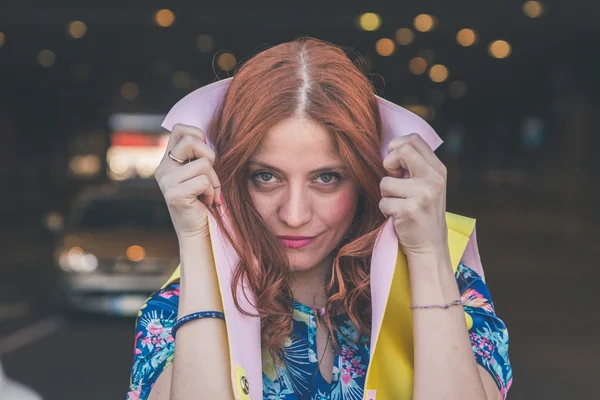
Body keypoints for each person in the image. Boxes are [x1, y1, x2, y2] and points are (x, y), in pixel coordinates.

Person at [126, 37, 512, 400]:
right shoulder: (176, 305)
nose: (294, 215)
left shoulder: (451, 283)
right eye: (266, 177)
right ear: (231, 178)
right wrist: (196, 236)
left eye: (326, 178)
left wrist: (428, 253)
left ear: (368, 179)